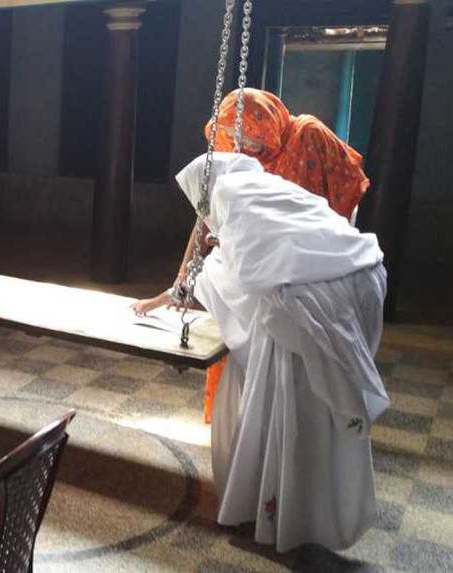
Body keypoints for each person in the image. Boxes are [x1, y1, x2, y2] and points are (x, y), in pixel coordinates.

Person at [176, 152, 388, 552]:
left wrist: (209, 268)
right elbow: (274, 249)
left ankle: (281, 516)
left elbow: (249, 276)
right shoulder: (269, 188)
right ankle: (311, 515)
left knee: (286, 419)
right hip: (355, 281)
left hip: (298, 323)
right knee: (319, 426)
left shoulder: (229, 194)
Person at [132, 89, 371, 421]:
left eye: (251, 136)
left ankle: (290, 422)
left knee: (296, 368)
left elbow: (346, 195)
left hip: (310, 270)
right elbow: (206, 218)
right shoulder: (238, 158)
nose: (246, 146)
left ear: (266, 122)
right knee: (237, 337)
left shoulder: (307, 135)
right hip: (260, 273)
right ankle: (245, 422)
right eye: (237, 140)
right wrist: (180, 282)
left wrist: (320, 254)